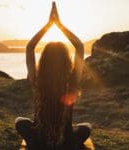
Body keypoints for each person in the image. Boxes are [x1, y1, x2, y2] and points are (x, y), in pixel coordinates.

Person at [15, 2, 91, 150]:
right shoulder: (72, 81)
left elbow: (30, 47)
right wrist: (59, 25)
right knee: (86, 126)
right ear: (66, 60)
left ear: (44, 60)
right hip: (66, 141)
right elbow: (80, 46)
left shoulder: (37, 81)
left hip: (39, 140)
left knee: (20, 121)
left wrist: (49, 24)